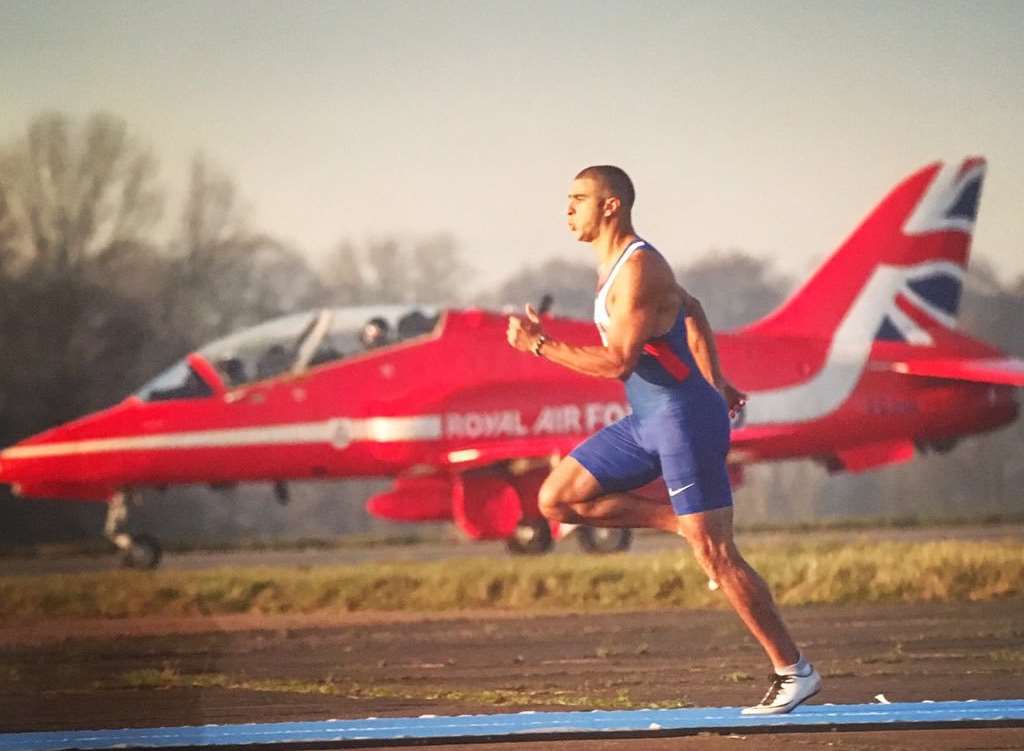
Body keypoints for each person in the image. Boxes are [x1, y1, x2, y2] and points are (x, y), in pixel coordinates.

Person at [505, 165, 821, 714]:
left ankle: (794, 671)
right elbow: (692, 311)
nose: (567, 210)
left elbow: (615, 361)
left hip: (683, 423)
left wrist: (539, 346)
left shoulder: (640, 267)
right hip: (650, 420)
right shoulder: (618, 266)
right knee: (557, 499)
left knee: (717, 555)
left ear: (612, 206)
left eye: (578, 199)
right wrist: (716, 379)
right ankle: (676, 523)